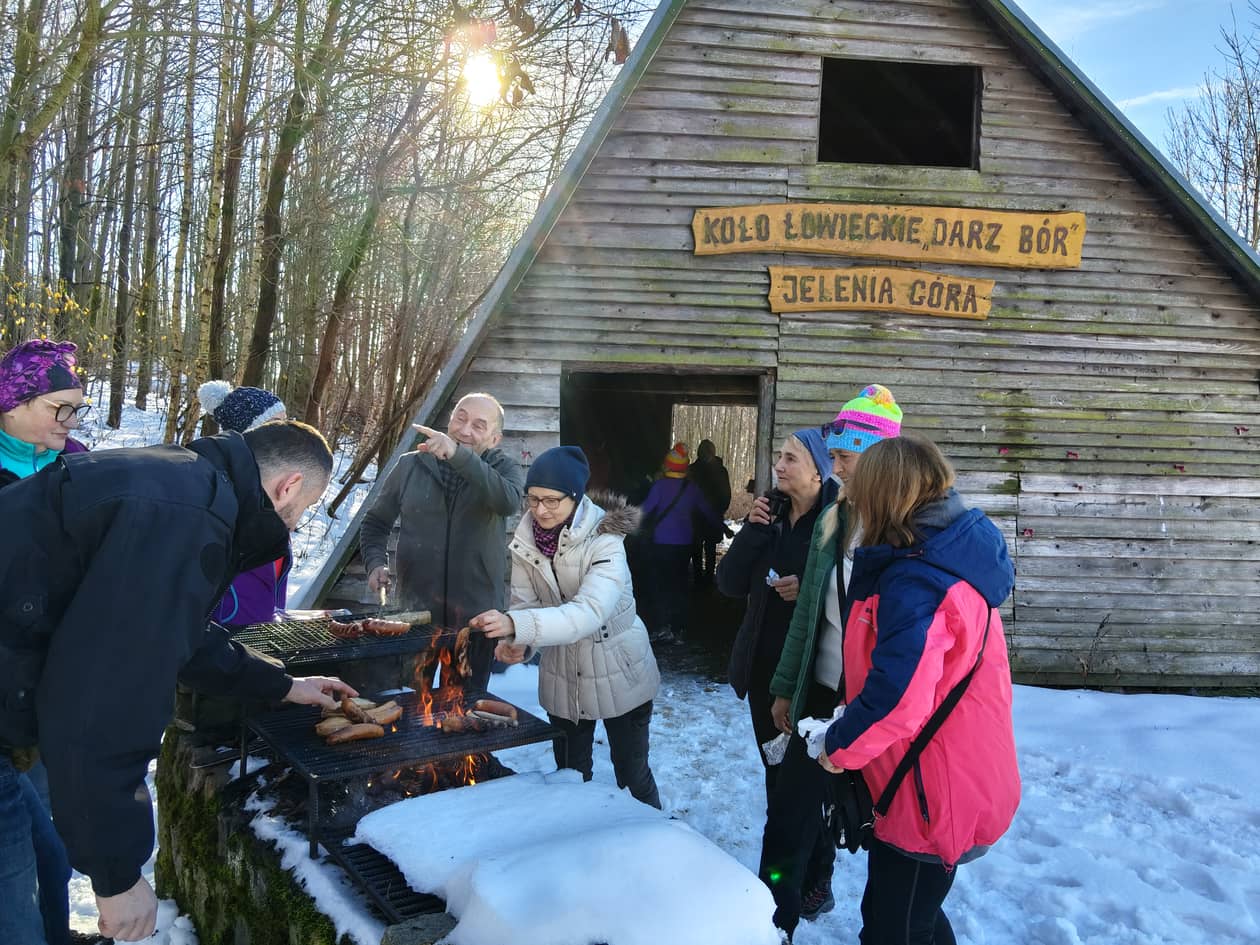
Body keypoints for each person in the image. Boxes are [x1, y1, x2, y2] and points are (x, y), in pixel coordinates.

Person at [0, 420, 359, 944]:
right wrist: (117, 875)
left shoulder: (183, 482)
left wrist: (283, 685)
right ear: (289, 487)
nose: (296, 521)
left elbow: (177, 632)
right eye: (305, 509)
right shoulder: (182, 516)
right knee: (10, 896)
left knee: (44, 857)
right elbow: (105, 702)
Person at [817, 433, 1020, 945]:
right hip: (939, 778)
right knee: (914, 917)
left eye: (860, 485)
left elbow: (899, 698)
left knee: (895, 928)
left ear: (887, 493)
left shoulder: (918, 583)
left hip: (931, 793)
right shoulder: (942, 561)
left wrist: (839, 748)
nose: (853, 495)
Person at [763, 384, 904, 939]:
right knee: (787, 821)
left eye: (845, 458)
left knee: (889, 837)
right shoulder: (833, 522)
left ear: (878, 457)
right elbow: (809, 620)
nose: (837, 470)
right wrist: (783, 688)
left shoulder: (903, 534)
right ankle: (774, 921)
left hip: (875, 709)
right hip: (817, 697)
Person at [473, 446, 662, 808]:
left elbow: (588, 612)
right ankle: (578, 855)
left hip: (620, 667)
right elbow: (526, 605)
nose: (540, 509)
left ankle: (657, 844)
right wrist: (518, 642)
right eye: (532, 499)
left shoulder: (606, 540)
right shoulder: (526, 542)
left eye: (551, 500)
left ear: (574, 498)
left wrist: (517, 624)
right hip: (563, 672)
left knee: (632, 775)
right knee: (571, 776)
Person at [715, 429, 835, 923]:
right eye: (777, 456)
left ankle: (806, 882)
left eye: (790, 458)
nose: (778, 466)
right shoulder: (771, 514)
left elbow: (847, 593)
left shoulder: (837, 521)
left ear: (819, 469)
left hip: (812, 677)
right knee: (777, 776)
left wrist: (807, 587)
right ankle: (801, 875)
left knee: (801, 791)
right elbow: (727, 584)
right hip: (764, 673)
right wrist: (753, 530)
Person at [0, 339, 90, 945]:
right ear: (12, 402)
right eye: (59, 408)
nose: (70, 422)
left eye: (76, 409)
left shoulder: (79, 465)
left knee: (48, 847)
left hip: (50, 685)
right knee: (14, 869)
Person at [361, 392, 524, 689]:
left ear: (495, 439)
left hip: (476, 619)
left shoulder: (504, 471)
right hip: (416, 612)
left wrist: (457, 455)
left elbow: (508, 503)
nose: (464, 430)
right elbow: (375, 522)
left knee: (461, 713)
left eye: (478, 425)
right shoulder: (410, 466)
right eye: (460, 418)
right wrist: (374, 564)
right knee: (407, 706)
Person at [197, 380, 292, 626]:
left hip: (261, 639)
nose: (286, 432)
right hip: (224, 639)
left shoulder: (279, 492)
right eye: (274, 425)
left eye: (286, 422)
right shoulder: (217, 493)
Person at [638, 442, 722, 641]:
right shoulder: (691, 488)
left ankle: (662, 626)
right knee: (679, 586)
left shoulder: (659, 486)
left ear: (668, 465)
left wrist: (620, 522)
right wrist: (721, 527)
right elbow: (707, 511)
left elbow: (643, 511)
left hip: (661, 545)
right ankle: (679, 630)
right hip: (684, 546)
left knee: (660, 585)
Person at [687, 438, 732, 584]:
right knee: (709, 548)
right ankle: (707, 579)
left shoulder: (692, 470)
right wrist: (720, 510)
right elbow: (726, 495)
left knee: (697, 548)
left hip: (696, 517)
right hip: (712, 516)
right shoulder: (720, 471)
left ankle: (699, 578)